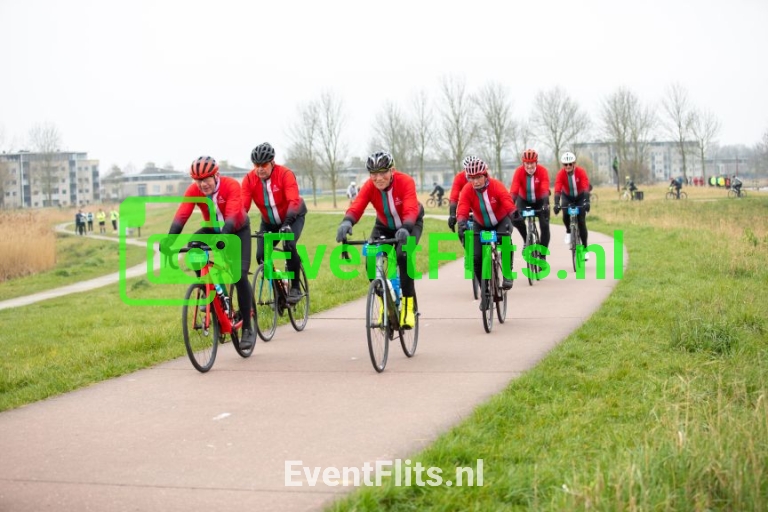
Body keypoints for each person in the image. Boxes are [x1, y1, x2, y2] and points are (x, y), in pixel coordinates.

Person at [159, 156, 256, 351]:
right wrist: (169, 240)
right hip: (212, 230)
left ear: (216, 175)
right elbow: (182, 214)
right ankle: (209, 291)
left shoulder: (230, 185)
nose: (202, 184)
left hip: (236, 230)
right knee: (193, 248)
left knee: (239, 275)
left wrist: (224, 237)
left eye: (206, 179)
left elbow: (232, 214)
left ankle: (247, 327)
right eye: (198, 180)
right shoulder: (194, 191)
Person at [335, 151, 423, 328]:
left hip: (410, 224)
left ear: (392, 170)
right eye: (374, 174)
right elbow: (357, 206)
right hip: (384, 226)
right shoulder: (369, 186)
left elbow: (411, 208)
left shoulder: (405, 181)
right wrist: (347, 222)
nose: (378, 178)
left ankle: (408, 307)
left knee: (403, 255)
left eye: (383, 172)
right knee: (371, 258)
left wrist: (406, 228)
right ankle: (386, 303)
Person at [241, 142, 308, 305]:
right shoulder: (249, 179)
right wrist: (237, 224)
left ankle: (295, 287)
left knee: (289, 245)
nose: (260, 169)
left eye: (263, 165)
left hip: (293, 217)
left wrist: (287, 223)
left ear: (272, 162)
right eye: (256, 165)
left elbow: (293, 201)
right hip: (269, 222)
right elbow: (243, 207)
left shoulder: (285, 174)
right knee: (261, 257)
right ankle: (280, 284)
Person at [456, 158, 520, 309]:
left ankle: (507, 273)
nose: (476, 181)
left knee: (505, 240)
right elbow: (463, 207)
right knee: (476, 257)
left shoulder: (496, 186)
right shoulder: (467, 190)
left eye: (478, 177)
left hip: (501, 221)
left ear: (485, 175)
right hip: (480, 225)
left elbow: (507, 201)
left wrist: (514, 213)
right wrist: (461, 223)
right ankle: (484, 292)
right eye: (472, 178)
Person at [509, 148, 551, 259]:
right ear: (523, 163)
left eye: (532, 163)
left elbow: (545, 189)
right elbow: (514, 191)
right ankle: (526, 240)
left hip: (540, 201)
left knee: (545, 226)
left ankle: (542, 255)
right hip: (523, 200)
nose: (529, 166)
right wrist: (511, 207)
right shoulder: (519, 172)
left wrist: (545, 204)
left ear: (536, 162)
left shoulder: (542, 171)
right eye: (527, 163)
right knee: (516, 219)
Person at [553, 151, 591, 259]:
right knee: (565, 214)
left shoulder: (581, 172)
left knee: (582, 222)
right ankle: (568, 231)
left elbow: (585, 187)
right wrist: (556, 203)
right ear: (563, 165)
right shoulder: (561, 174)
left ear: (574, 163)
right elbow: (557, 189)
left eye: (570, 164)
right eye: (566, 164)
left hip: (580, 197)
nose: (568, 166)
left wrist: (587, 201)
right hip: (567, 197)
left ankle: (585, 249)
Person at [447, 155, 477, 232]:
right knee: (463, 228)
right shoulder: (459, 177)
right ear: (465, 169)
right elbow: (454, 197)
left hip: (480, 204)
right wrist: (452, 215)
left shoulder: (483, 176)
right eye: (469, 171)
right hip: (466, 205)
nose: (472, 173)